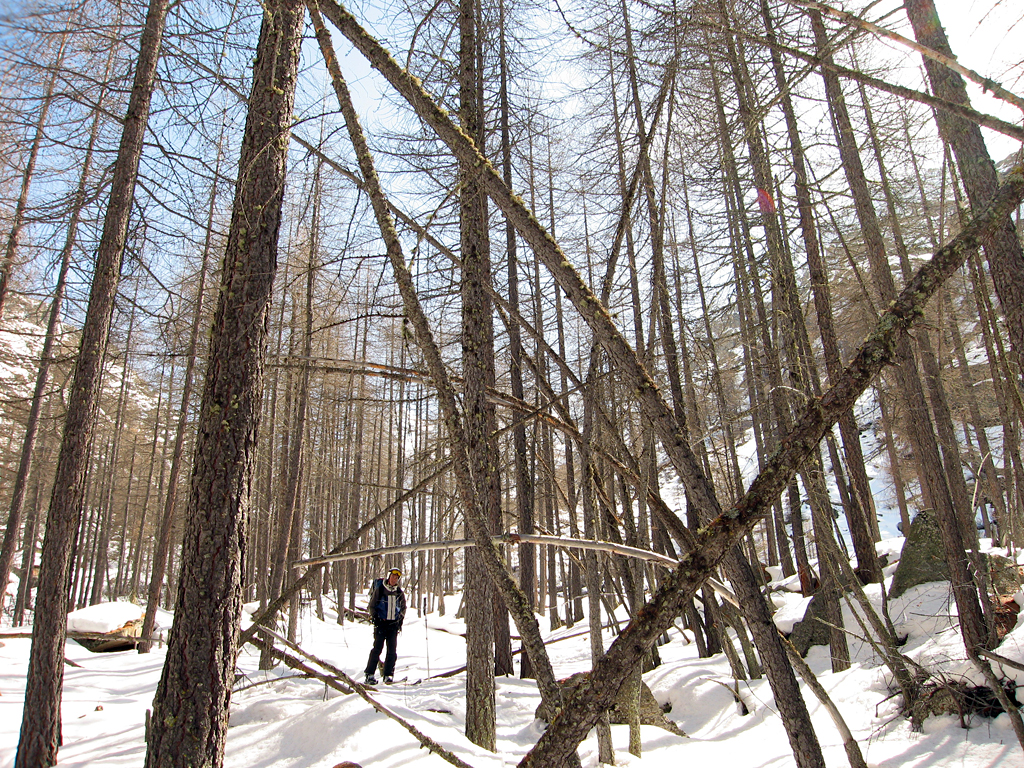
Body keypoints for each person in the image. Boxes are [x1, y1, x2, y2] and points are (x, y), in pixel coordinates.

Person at [363, 567, 405, 684]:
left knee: (392, 651)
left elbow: (403, 608)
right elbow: (371, 606)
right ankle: (369, 674)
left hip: (393, 626)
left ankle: (388, 675)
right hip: (381, 624)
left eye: (396, 578)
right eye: (392, 576)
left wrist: (399, 621)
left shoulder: (399, 592)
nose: (394, 579)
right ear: (388, 577)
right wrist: (376, 618)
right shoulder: (380, 589)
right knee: (377, 649)